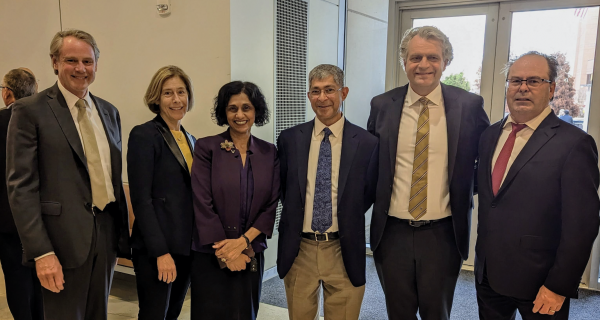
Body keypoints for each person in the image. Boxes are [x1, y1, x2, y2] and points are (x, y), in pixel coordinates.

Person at [6, 29, 131, 320]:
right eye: (71, 60)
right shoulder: (29, 111)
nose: (80, 68)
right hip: (59, 240)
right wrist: (41, 252)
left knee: (97, 313)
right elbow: (20, 187)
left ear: (96, 64)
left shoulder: (109, 112)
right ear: (54, 62)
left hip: (105, 232)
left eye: (87, 61)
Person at [367, 26, 490, 320]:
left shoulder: (469, 106)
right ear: (404, 62)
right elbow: (371, 163)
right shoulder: (382, 105)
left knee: (437, 313)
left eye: (433, 57)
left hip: (443, 234)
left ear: (445, 61)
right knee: (398, 313)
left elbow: (486, 161)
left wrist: (462, 188)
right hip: (391, 231)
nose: (423, 65)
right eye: (415, 57)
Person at [475, 51, 600, 320]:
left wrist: (558, 285)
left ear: (551, 88)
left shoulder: (574, 144)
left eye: (534, 81)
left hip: (541, 281)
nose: (522, 88)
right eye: (515, 80)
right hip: (488, 275)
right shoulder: (488, 135)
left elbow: (582, 225)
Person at [277, 64, 378, 320]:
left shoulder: (367, 143)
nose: (322, 98)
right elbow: (284, 189)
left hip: (343, 249)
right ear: (309, 95)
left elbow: (367, 193)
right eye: (316, 91)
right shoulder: (289, 139)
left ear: (343, 92)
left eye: (330, 90)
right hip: (301, 249)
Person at [190, 81, 279, 320]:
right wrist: (227, 251)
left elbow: (271, 204)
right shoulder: (207, 147)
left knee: (245, 313)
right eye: (232, 108)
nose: (240, 115)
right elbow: (201, 201)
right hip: (211, 251)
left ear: (256, 111)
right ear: (224, 112)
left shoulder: (269, 152)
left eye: (246, 108)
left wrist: (243, 244)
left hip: (250, 251)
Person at [127, 66, 196, 320]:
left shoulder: (190, 139)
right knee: (154, 314)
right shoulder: (144, 135)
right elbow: (142, 200)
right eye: (168, 93)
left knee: (173, 313)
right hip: (157, 249)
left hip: (185, 247)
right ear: (156, 98)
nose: (176, 99)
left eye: (181, 92)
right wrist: (160, 253)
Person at [0, 68, 43, 320]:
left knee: (17, 280)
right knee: (43, 276)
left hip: (7, 220)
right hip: (42, 214)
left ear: (7, 93)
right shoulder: (44, 120)